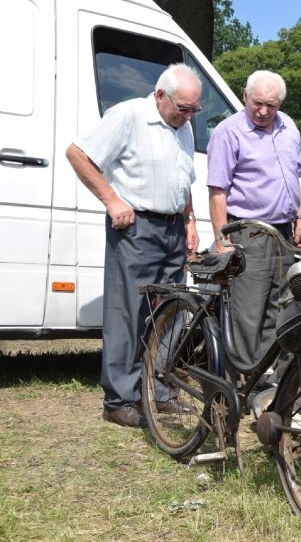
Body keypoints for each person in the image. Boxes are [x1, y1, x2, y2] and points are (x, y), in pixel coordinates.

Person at [66, 63, 202, 428]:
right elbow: (78, 154)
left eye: (194, 110)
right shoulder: (128, 115)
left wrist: (190, 220)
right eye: (183, 108)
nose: (188, 116)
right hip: (137, 227)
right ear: (160, 95)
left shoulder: (183, 127)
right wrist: (112, 200)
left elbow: (183, 177)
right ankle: (120, 400)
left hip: (173, 228)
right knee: (129, 311)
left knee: (171, 311)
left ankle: (158, 389)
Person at [207, 70, 301, 373]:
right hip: (247, 232)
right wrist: (222, 239)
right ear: (244, 96)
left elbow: (294, 178)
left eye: (271, 105)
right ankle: (236, 385)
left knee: (277, 311)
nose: (264, 111)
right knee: (247, 314)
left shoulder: (289, 127)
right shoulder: (229, 132)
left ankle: (263, 381)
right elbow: (217, 191)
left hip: (284, 232)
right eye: (258, 103)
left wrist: (300, 219)